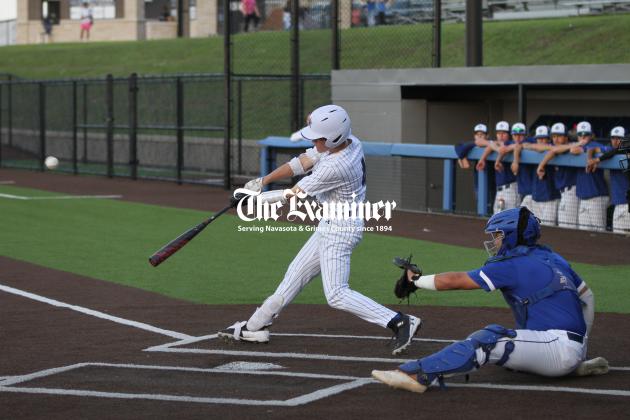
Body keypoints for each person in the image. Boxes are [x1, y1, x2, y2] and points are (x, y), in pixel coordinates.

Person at [218, 105, 421, 355]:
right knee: (294, 275)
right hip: (331, 223)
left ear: (333, 137)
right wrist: (263, 181)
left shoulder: (337, 166)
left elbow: (293, 195)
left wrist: (251, 200)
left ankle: (399, 321)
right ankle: (255, 326)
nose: (314, 141)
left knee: (336, 294)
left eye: (318, 137)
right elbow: (302, 162)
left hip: (341, 231)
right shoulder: (348, 141)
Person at [372, 207, 607, 394]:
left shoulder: (511, 264)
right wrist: (581, 346)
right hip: (564, 347)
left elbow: (456, 280)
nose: (494, 241)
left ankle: (417, 375)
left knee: (488, 339)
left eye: (498, 235)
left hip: (557, 349)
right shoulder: (553, 257)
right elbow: (587, 296)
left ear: (512, 236)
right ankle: (569, 361)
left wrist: (416, 281)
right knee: (507, 352)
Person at [586, 126, 630, 234]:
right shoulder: (609, 151)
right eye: (613, 138)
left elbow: (616, 151)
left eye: (619, 138)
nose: (615, 141)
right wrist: (591, 160)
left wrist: (597, 159)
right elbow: (592, 149)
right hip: (619, 204)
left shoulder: (623, 154)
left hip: (625, 204)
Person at [537, 123, 580, 229]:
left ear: (566, 137)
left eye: (559, 136)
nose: (556, 139)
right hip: (563, 193)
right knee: (562, 227)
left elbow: (575, 149)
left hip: (571, 191)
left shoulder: (571, 146)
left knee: (567, 228)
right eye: (554, 136)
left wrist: (541, 165)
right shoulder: (554, 150)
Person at [569, 121, 609, 232]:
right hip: (583, 198)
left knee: (600, 233)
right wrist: (584, 148)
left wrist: (589, 151)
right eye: (580, 135)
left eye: (585, 134)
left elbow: (609, 150)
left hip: (597, 197)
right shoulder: (577, 147)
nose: (583, 137)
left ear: (591, 135)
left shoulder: (597, 145)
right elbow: (573, 150)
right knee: (584, 234)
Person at [476, 121, 518, 214]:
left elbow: (515, 146)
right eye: (499, 133)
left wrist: (498, 158)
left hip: (510, 188)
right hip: (499, 189)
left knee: (510, 219)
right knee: (498, 219)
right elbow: (480, 142)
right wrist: (482, 159)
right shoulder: (496, 144)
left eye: (504, 133)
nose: (501, 135)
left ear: (509, 134)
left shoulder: (512, 143)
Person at [526, 125, 560, 226]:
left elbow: (554, 149)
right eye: (538, 138)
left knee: (550, 230)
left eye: (543, 138)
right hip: (536, 197)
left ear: (549, 139)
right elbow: (525, 145)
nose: (540, 141)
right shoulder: (533, 149)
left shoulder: (555, 150)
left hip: (551, 197)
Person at [503, 122, 536, 211]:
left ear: (525, 135)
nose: (518, 138)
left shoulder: (531, 141)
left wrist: (515, 162)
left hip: (533, 193)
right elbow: (503, 148)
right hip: (523, 191)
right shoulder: (509, 143)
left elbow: (519, 145)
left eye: (520, 135)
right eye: (515, 135)